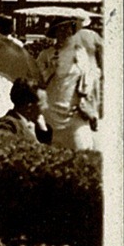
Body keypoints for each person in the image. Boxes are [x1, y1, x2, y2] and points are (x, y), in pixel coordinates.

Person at [45, 20, 102, 151]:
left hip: (75, 112)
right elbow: (37, 81)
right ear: (55, 33)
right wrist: (50, 70)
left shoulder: (81, 53)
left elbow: (90, 77)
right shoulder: (47, 55)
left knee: (80, 152)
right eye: (61, 29)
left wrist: (85, 96)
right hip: (52, 113)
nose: (66, 32)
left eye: (69, 28)